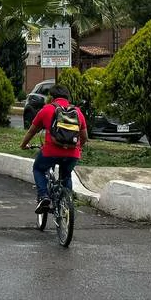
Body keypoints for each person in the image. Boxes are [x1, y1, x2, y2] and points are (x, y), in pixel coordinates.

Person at [19, 84, 88, 214]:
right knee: (66, 175)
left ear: (51, 97)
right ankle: (67, 204)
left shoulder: (46, 109)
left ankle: (44, 196)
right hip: (72, 153)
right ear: (67, 97)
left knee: (38, 169)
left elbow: (31, 132)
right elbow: (84, 136)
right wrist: (79, 148)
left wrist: (23, 145)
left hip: (51, 152)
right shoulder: (77, 112)